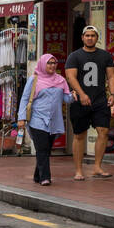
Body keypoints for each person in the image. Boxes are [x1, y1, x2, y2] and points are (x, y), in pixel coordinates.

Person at [64, 25, 114, 181]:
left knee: (104, 131)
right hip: (80, 100)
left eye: (93, 35)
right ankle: (79, 170)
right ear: (82, 38)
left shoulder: (105, 55)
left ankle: (97, 167)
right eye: (87, 35)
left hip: (100, 99)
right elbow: (70, 77)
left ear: (97, 38)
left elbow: (112, 76)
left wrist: (113, 94)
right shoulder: (74, 56)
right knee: (80, 134)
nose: (90, 38)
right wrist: (81, 94)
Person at [17, 54, 73, 186]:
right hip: (37, 119)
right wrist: (21, 118)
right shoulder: (34, 79)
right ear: (43, 64)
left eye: (54, 63)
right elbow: (25, 98)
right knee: (42, 148)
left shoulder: (61, 80)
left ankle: (37, 175)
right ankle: (45, 177)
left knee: (47, 149)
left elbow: (66, 99)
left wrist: (73, 96)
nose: (52, 66)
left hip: (54, 120)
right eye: (49, 63)